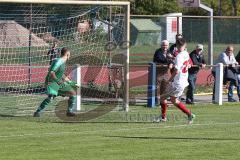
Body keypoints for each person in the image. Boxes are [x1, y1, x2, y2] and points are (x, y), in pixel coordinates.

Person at [155, 38, 195, 124]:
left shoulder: (179, 56)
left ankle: (163, 117)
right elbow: (189, 64)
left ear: (176, 46)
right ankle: (189, 114)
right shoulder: (186, 54)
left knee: (162, 98)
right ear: (185, 46)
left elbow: (176, 70)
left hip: (178, 82)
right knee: (174, 100)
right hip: (183, 81)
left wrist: (169, 80)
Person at [34, 47, 79, 117]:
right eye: (69, 54)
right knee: (51, 97)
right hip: (51, 82)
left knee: (73, 93)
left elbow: (60, 74)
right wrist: (58, 81)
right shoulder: (58, 61)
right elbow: (52, 73)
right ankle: (37, 112)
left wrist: (69, 81)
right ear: (67, 54)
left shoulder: (63, 63)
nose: (70, 56)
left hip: (58, 82)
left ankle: (69, 111)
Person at [153, 40, 174, 104]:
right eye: (164, 45)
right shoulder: (158, 51)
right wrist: (169, 62)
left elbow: (172, 60)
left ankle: (163, 101)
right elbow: (160, 59)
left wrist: (171, 63)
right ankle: (156, 101)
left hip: (166, 73)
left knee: (164, 87)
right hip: (159, 72)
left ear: (168, 46)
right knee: (157, 87)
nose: (165, 46)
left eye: (166, 45)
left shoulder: (169, 51)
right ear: (161, 45)